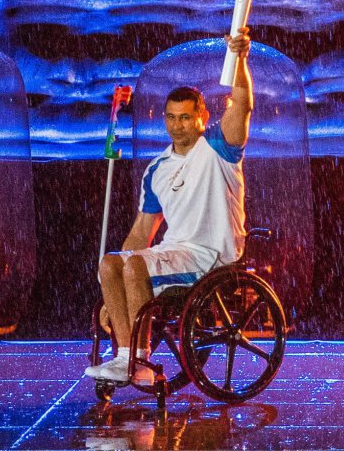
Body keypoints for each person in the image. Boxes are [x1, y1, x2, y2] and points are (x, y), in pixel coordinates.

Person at [85, 27, 253, 384]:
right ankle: (125, 357)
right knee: (112, 263)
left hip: (212, 254)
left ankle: (139, 361)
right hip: (174, 252)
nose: (177, 126)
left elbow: (242, 105)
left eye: (186, 118)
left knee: (135, 269)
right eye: (171, 118)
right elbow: (142, 232)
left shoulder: (218, 150)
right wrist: (109, 291)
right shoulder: (157, 169)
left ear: (202, 118)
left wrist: (240, 59)